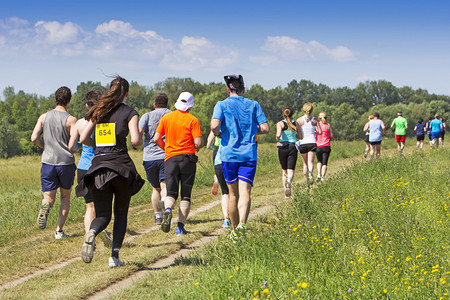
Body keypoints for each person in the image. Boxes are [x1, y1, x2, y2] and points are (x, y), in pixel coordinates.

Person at [77, 77, 144, 268]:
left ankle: (92, 232)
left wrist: (98, 145)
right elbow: (135, 141)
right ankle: (114, 257)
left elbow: (82, 138)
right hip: (121, 168)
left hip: (98, 168)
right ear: (127, 93)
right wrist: (138, 142)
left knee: (103, 215)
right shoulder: (130, 113)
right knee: (121, 213)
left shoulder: (98, 111)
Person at [211, 74, 269, 242]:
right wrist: (252, 130)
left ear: (228, 90)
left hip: (228, 155)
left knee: (232, 194)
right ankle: (243, 223)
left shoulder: (221, 105)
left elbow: (214, 126)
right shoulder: (253, 104)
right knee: (245, 192)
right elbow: (265, 128)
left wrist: (219, 133)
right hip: (249, 154)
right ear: (243, 90)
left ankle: (235, 231)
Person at [31, 86, 77, 239]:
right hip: (65, 163)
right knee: (65, 197)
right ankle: (59, 231)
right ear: (69, 101)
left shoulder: (43, 117)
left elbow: (33, 138)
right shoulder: (71, 120)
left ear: (55, 99)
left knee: (49, 197)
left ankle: (45, 204)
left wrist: (44, 146)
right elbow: (73, 145)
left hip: (48, 162)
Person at [154, 92, 202, 236]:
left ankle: (168, 210)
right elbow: (198, 142)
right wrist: (195, 147)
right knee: (185, 195)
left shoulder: (167, 118)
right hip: (187, 160)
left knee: (171, 193)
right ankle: (180, 228)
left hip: (170, 159)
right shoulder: (193, 120)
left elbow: (156, 138)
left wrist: (167, 148)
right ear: (190, 106)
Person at [68, 90, 112, 246]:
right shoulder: (104, 122)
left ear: (86, 105)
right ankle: (97, 232)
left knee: (89, 205)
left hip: (83, 168)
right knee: (102, 207)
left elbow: (72, 146)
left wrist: (82, 146)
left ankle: (89, 238)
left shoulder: (79, 123)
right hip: (100, 166)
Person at [139, 93, 171, 225]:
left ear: (154, 104)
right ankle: (165, 203)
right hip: (166, 154)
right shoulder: (171, 114)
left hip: (149, 157)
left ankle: (158, 216)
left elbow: (139, 132)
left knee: (155, 188)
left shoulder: (146, 116)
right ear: (167, 104)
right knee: (164, 185)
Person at [275, 108, 301, 198]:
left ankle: (286, 194)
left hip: (282, 147)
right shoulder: (296, 123)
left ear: (283, 114)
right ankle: (289, 184)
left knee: (284, 171)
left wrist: (278, 138)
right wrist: (294, 135)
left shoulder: (280, 123)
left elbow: (278, 135)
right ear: (292, 114)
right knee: (291, 170)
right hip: (292, 147)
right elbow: (300, 136)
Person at [206, 131, 231, 228]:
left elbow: (209, 145)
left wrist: (216, 147)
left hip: (219, 159)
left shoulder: (216, 128)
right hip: (233, 159)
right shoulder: (233, 123)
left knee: (225, 192)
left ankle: (226, 219)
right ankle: (237, 218)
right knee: (234, 191)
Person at [296, 102, 322, 185]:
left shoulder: (299, 120)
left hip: (303, 143)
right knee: (310, 162)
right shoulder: (314, 120)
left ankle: (307, 182)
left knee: (305, 164)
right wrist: (314, 132)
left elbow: (297, 132)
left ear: (303, 110)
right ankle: (311, 174)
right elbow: (320, 132)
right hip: (312, 142)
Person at [316, 112, 333, 181]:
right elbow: (331, 136)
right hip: (326, 145)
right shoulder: (328, 125)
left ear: (319, 118)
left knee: (319, 161)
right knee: (324, 162)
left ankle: (318, 174)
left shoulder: (317, 125)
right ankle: (323, 176)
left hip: (318, 145)